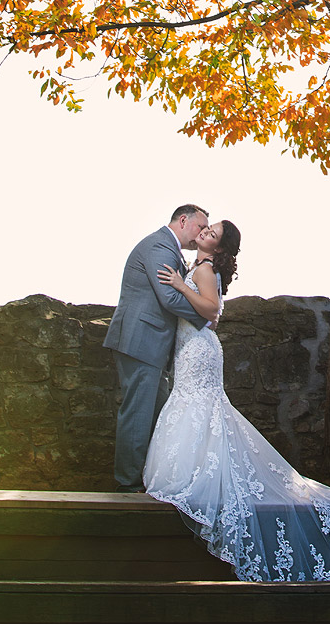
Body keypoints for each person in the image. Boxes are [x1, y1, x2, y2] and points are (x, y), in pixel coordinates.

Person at [144, 221, 330, 582]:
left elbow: (212, 312)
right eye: (206, 228)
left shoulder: (205, 269)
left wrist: (179, 285)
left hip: (200, 350)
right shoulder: (195, 266)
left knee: (201, 407)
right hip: (187, 349)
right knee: (192, 407)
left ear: (220, 248)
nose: (206, 231)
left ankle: (200, 480)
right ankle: (190, 474)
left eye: (214, 232)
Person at [104, 203, 211, 492]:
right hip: (140, 342)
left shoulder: (170, 250)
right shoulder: (160, 247)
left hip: (150, 346)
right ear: (183, 220)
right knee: (138, 415)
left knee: (160, 414)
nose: (202, 234)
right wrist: (205, 315)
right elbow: (168, 298)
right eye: (200, 227)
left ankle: (152, 479)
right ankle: (127, 486)